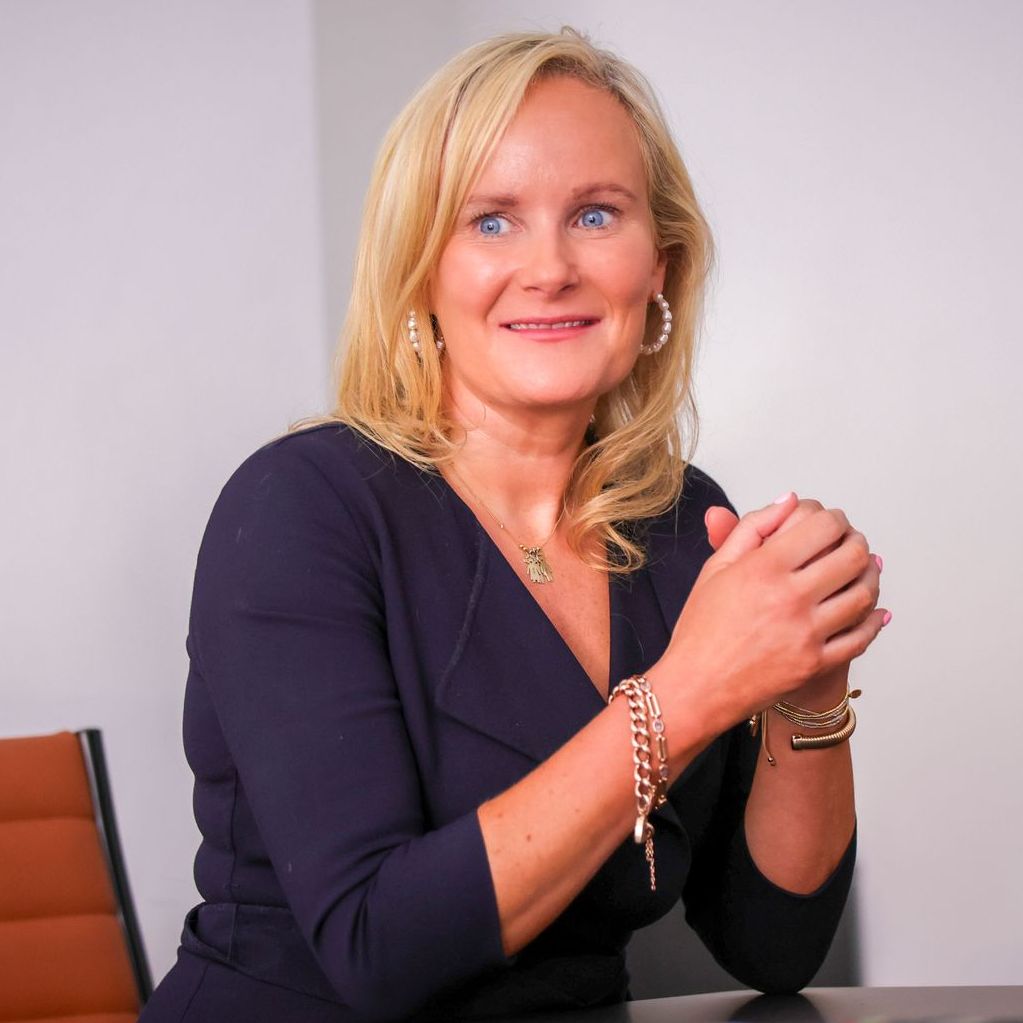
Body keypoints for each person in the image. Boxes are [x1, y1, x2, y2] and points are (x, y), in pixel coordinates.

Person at [140, 27, 888, 1023]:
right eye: (491, 221)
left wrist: (809, 685)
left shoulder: (682, 520)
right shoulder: (300, 509)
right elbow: (375, 947)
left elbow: (777, 947)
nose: (549, 268)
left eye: (594, 214)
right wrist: (692, 690)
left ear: (658, 264)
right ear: (420, 269)